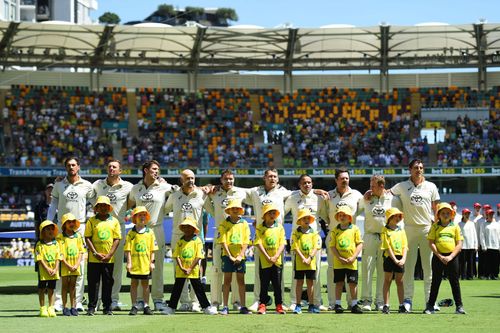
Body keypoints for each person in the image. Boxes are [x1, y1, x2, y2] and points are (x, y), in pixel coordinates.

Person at [390, 159, 440, 312]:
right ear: (410, 170)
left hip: (426, 229)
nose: (419, 170)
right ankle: (407, 301)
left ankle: (430, 301)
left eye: (421, 167)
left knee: (428, 268)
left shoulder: (431, 186)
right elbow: (387, 193)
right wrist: (370, 192)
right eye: (416, 168)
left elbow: (436, 207)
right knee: (409, 268)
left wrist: (436, 227)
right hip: (409, 229)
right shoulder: (401, 186)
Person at [127, 160, 177, 311]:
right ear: (145, 170)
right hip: (138, 231)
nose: (157, 172)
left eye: (158, 169)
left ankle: (158, 299)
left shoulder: (163, 186)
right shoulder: (136, 188)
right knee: (139, 266)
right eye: (154, 169)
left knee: (157, 267)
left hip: (156, 229)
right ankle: (140, 300)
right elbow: (128, 205)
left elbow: (181, 190)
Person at [47, 157, 94, 311]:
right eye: (68, 165)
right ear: (65, 167)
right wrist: (49, 222)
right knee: (61, 264)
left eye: (74, 165)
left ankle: (78, 301)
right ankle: (59, 301)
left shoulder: (87, 185)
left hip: (80, 228)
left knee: (79, 265)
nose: (71, 167)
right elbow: (53, 203)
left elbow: (94, 203)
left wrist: (91, 221)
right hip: (61, 227)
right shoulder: (59, 185)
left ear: (79, 167)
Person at [164, 169, 211, 312]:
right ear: (181, 179)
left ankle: (195, 302)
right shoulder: (175, 195)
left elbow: (212, 210)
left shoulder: (202, 194)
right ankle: (184, 301)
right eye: (187, 178)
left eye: (192, 177)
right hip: (177, 235)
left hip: (195, 236)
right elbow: (165, 209)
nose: (190, 180)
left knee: (195, 269)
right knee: (178, 269)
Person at [205, 169, 249, 309]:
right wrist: (207, 186)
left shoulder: (240, 192)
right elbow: (202, 196)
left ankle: (236, 302)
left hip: (237, 235)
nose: (229, 181)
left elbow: (257, 195)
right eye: (226, 179)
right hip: (221, 234)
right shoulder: (214, 192)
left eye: (231, 179)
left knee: (237, 273)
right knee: (217, 269)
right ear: (221, 180)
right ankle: (216, 302)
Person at [92, 159, 133, 310]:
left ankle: (113, 300)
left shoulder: (128, 186)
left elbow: (133, 201)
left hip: (118, 228)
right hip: (100, 227)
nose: (111, 169)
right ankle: (96, 300)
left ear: (120, 171)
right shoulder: (97, 184)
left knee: (116, 268)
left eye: (114, 167)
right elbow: (87, 194)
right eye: (109, 166)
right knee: (99, 266)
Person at [320, 168, 363, 309]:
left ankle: (352, 303)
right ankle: (333, 303)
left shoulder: (356, 195)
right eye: (342, 178)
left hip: (351, 237)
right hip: (333, 235)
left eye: (347, 178)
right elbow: (325, 215)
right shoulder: (329, 195)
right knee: (332, 270)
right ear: (336, 180)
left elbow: (366, 207)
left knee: (351, 272)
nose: (345, 180)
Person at [284, 174, 326, 311]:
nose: (307, 185)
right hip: (298, 239)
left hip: (314, 240)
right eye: (304, 183)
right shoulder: (292, 197)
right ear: (299, 184)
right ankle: (294, 302)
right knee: (296, 275)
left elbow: (325, 216)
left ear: (312, 184)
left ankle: (316, 302)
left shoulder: (319, 198)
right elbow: (281, 213)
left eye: (309, 182)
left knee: (316, 273)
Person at [161, 217, 218, 316]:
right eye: (185, 227)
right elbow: (176, 255)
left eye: (189, 227)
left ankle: (206, 307)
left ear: (193, 228)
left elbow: (198, 256)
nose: (187, 229)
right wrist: (182, 267)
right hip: (181, 271)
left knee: (198, 289)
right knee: (177, 289)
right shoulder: (180, 241)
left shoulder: (198, 241)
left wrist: (190, 268)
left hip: (194, 270)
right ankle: (171, 308)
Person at [358, 175, 396, 311]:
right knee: (367, 269)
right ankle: (366, 300)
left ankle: (380, 300)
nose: (370, 188)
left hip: (385, 237)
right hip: (369, 236)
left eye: (373, 186)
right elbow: (354, 213)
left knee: (383, 271)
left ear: (381, 186)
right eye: (370, 185)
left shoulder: (391, 199)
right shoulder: (366, 198)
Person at [424, 202, 466, 315]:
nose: (446, 215)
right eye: (443, 213)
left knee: (454, 282)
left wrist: (451, 256)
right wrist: (440, 256)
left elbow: (459, 244)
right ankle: (430, 306)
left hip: (452, 258)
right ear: (439, 215)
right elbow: (431, 243)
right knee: (435, 282)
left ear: (452, 214)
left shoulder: (455, 226)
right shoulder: (435, 226)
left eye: (448, 213)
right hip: (438, 258)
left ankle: (459, 306)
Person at [84, 196, 121, 316]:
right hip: (94, 259)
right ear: (97, 208)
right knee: (93, 283)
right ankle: (91, 307)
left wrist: (109, 254)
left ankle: (107, 307)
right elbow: (87, 237)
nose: (103, 208)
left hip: (108, 259)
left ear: (109, 207)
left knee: (108, 283)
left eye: (105, 206)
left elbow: (117, 239)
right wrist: (95, 253)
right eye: (101, 206)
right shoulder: (91, 221)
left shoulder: (114, 221)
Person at [217, 199, 252, 315]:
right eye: (233, 208)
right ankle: (225, 306)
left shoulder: (244, 223)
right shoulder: (224, 224)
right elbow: (222, 241)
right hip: (227, 257)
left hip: (240, 257)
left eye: (237, 208)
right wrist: (230, 256)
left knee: (241, 281)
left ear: (241, 210)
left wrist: (240, 255)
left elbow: (246, 240)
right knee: (226, 281)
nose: (235, 210)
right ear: (229, 210)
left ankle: (243, 306)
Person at [328, 206, 363, 314]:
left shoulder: (355, 229)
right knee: (339, 283)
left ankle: (354, 304)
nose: (342, 217)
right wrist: (339, 258)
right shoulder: (335, 231)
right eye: (340, 215)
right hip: (339, 263)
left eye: (345, 215)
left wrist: (353, 257)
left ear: (349, 217)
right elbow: (332, 246)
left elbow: (360, 244)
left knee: (353, 283)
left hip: (352, 263)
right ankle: (337, 304)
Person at [125, 206, 157, 316]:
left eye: (144, 215)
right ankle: (134, 305)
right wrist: (129, 262)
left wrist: (152, 262)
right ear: (135, 218)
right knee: (133, 284)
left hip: (145, 264)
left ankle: (146, 305)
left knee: (145, 284)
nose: (142, 217)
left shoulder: (150, 232)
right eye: (139, 215)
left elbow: (153, 249)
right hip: (134, 263)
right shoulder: (131, 233)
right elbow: (128, 249)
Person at [255, 203, 287, 315]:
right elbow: (258, 243)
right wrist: (268, 257)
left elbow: (283, 243)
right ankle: (262, 305)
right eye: (269, 213)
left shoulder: (279, 227)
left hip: (277, 262)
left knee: (277, 285)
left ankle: (279, 305)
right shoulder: (260, 227)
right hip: (264, 261)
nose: (272, 215)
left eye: (274, 213)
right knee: (264, 284)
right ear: (264, 215)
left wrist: (275, 256)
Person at [291, 208, 321, 314]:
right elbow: (295, 246)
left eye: (308, 218)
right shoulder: (296, 233)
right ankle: (298, 305)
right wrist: (303, 258)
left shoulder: (314, 233)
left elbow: (316, 246)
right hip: (299, 263)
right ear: (299, 220)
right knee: (299, 283)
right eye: (304, 218)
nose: (306, 220)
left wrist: (310, 258)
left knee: (310, 283)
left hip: (310, 263)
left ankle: (311, 305)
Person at [380, 208, 408, 314]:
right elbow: (387, 247)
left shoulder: (401, 230)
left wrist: (403, 258)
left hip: (400, 258)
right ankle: (386, 305)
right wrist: (395, 259)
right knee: (387, 281)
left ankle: (401, 306)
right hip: (389, 258)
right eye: (394, 216)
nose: (397, 218)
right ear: (389, 217)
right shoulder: (385, 230)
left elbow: (405, 245)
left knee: (400, 282)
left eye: (398, 216)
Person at [57, 213, 85, 316]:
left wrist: (77, 264)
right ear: (64, 224)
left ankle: (74, 306)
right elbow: (59, 253)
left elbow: (81, 251)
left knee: (73, 286)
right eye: (69, 222)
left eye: (73, 222)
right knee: (65, 286)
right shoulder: (60, 237)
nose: (71, 224)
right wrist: (67, 264)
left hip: (75, 265)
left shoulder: (78, 236)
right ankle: (65, 307)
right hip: (65, 265)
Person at [35, 220, 61, 317]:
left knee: (51, 289)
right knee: (41, 289)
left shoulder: (56, 243)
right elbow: (39, 258)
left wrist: (55, 269)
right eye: (47, 229)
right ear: (42, 232)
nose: (50, 231)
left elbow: (59, 257)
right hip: (43, 271)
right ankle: (42, 308)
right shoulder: (39, 244)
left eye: (51, 229)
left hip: (54, 271)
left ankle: (51, 307)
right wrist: (47, 268)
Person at [479, 209, 499, 280]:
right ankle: (487, 275)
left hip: (496, 246)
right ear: (486, 215)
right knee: (487, 262)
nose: (491, 215)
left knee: (496, 262)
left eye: (492, 214)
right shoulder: (483, 224)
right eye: (489, 214)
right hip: (488, 246)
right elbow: (482, 236)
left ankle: (495, 275)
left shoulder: (497, 224)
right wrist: (483, 246)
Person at [458, 208, 477, 280]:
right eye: (466, 214)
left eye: (468, 214)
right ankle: (463, 275)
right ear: (463, 214)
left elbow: (474, 234)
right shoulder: (459, 224)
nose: (467, 215)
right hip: (463, 246)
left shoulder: (472, 224)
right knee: (462, 262)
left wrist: (475, 245)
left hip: (471, 246)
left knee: (470, 262)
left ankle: (470, 276)